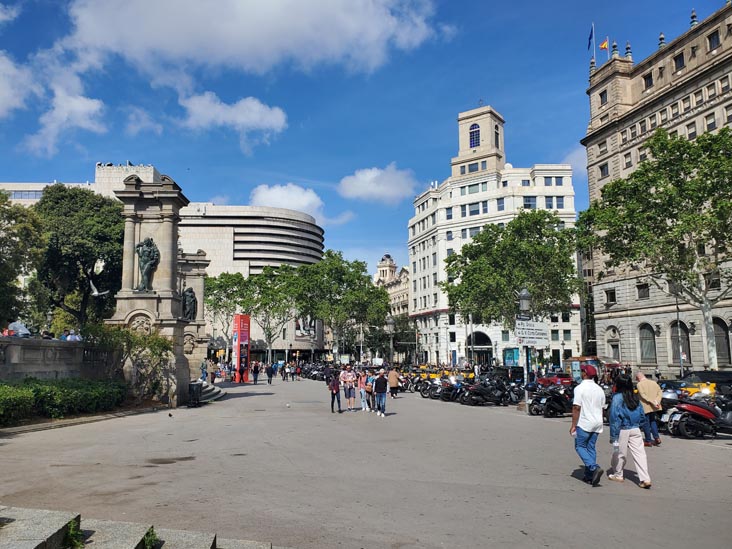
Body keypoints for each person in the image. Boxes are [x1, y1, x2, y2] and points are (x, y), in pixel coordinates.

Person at [607, 374, 652, 488]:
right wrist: (638, 425)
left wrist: (613, 436)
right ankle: (645, 478)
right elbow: (642, 414)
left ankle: (618, 474)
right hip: (635, 429)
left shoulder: (617, 397)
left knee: (619, 452)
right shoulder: (634, 396)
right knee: (640, 454)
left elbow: (614, 418)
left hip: (622, 430)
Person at [570, 364, 606, 486]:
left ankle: (593, 467)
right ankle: (589, 475)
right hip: (597, 422)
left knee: (579, 446)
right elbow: (602, 407)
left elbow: (576, 407)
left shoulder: (580, 388)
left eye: (581, 371)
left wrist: (573, 424)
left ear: (584, 373)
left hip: (585, 422)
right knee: (590, 447)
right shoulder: (599, 389)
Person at [636, 372, 663, 446]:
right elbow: (660, 392)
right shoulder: (653, 383)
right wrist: (656, 401)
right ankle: (657, 438)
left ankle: (648, 440)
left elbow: (643, 395)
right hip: (654, 406)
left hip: (645, 406)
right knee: (653, 421)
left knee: (646, 423)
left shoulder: (639, 384)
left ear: (638, 378)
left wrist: (651, 401)